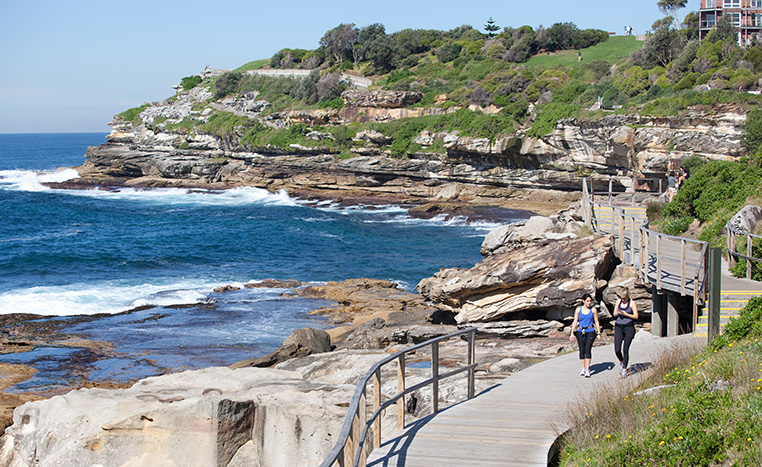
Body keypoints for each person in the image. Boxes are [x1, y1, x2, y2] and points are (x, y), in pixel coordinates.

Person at [569, 294, 601, 378]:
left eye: (590, 301)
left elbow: (596, 321)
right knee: (581, 350)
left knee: (588, 349)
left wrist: (598, 333)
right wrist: (572, 333)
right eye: (587, 301)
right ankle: (583, 368)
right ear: (583, 301)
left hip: (590, 331)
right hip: (580, 331)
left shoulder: (593, 310)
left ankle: (587, 369)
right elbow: (575, 321)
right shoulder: (578, 310)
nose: (589, 303)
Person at [613, 287, 639, 378]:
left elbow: (636, 316)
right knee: (617, 349)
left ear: (627, 297)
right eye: (621, 298)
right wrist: (618, 313)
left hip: (628, 326)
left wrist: (626, 314)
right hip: (619, 326)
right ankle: (621, 361)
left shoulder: (632, 303)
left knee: (625, 349)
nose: (623, 300)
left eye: (624, 298)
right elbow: (614, 314)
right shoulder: (618, 302)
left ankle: (624, 368)